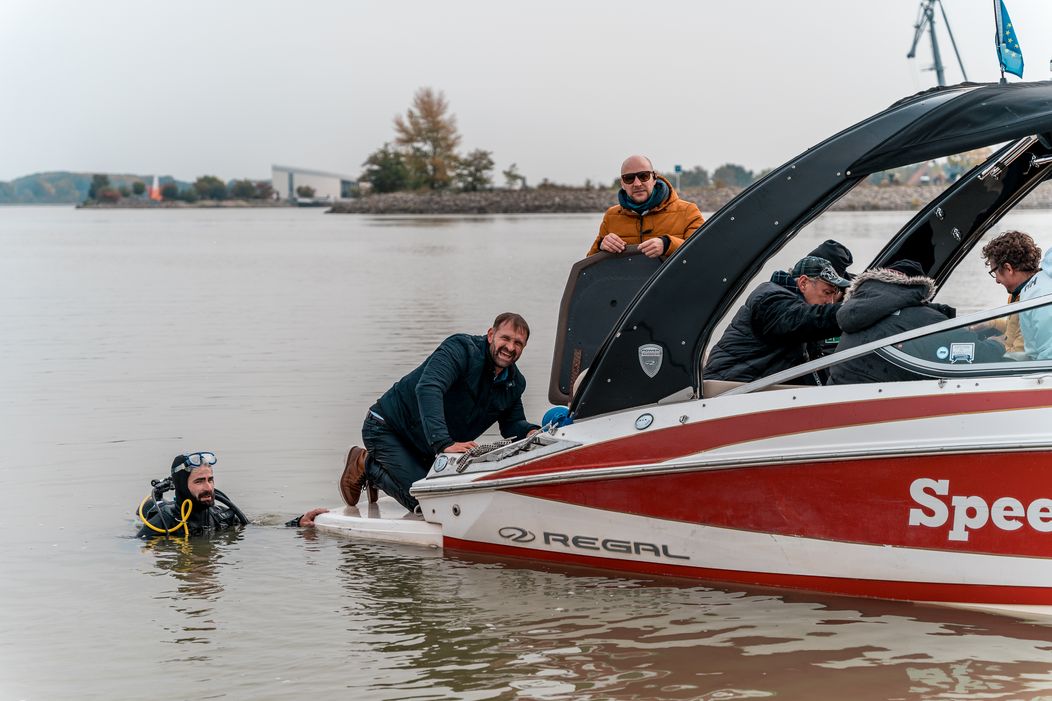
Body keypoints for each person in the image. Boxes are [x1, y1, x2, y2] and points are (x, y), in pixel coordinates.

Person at [342, 313, 540, 513]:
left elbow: (512, 424)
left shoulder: (514, 383)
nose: (510, 347)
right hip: (386, 428)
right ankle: (366, 463)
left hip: (427, 447)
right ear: (491, 335)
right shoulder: (461, 349)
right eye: (505, 338)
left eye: (518, 343)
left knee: (454, 499)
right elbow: (428, 388)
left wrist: (532, 432)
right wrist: (443, 443)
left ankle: (394, 469)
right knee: (429, 503)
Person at [828, 260, 1001, 384]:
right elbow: (979, 356)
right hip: (881, 409)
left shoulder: (857, 313)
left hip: (839, 399)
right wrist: (999, 345)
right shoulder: (923, 318)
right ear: (916, 289)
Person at [703, 255, 850, 384]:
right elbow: (809, 320)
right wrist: (853, 311)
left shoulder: (788, 299)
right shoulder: (771, 300)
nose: (830, 301)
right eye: (827, 292)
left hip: (746, 386)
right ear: (803, 283)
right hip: (726, 389)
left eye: (834, 295)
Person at [136, 451, 327, 537]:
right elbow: (133, 548)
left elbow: (256, 529)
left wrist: (298, 523)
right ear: (182, 486)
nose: (208, 487)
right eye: (199, 481)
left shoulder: (220, 517)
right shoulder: (164, 522)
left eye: (210, 479)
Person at [586, 155, 704, 259]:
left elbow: (704, 252)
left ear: (654, 178)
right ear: (622, 183)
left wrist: (668, 245)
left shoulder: (688, 211)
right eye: (629, 178)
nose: (637, 184)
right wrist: (601, 246)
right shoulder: (611, 216)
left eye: (643, 176)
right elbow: (588, 267)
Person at [980, 230, 1045, 357]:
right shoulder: (1021, 293)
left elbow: (1021, 353)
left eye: (995, 273)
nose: (997, 280)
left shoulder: (1032, 301)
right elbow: (1015, 329)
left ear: (1008, 268)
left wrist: (993, 345)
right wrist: (989, 324)